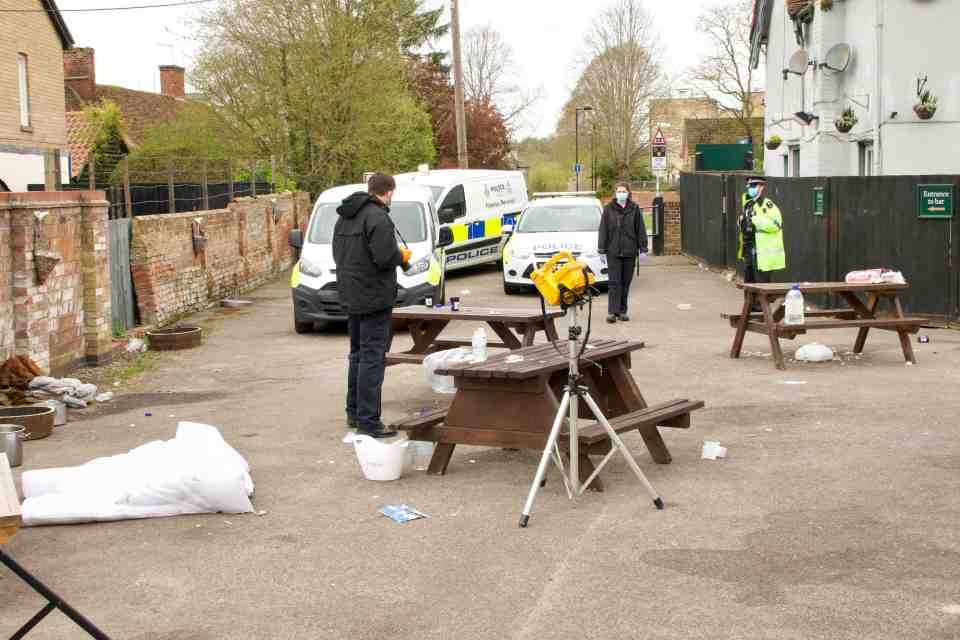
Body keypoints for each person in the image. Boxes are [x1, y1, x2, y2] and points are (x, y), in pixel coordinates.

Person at [332, 173, 411, 439]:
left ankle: (354, 412)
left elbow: (338, 254)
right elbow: (384, 257)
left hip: (351, 295)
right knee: (372, 358)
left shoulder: (345, 216)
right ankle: (369, 421)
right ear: (388, 192)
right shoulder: (377, 217)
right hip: (374, 297)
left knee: (357, 354)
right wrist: (401, 256)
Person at [598, 183, 648, 323]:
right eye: (619, 191)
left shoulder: (634, 209)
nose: (621, 193)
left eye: (623, 191)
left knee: (626, 282)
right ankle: (612, 312)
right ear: (615, 193)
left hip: (629, 251)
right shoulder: (608, 209)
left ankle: (622, 311)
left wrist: (643, 249)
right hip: (613, 252)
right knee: (614, 283)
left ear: (628, 193)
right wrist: (601, 249)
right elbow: (603, 230)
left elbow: (640, 230)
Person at [738, 176, 785, 289]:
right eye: (749, 186)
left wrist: (756, 220)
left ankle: (760, 307)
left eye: (754, 186)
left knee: (761, 287)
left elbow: (776, 225)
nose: (750, 188)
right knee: (749, 285)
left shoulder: (767, 205)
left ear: (762, 187)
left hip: (762, 254)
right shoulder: (748, 205)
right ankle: (751, 307)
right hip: (749, 249)